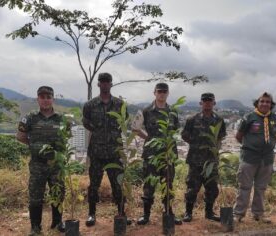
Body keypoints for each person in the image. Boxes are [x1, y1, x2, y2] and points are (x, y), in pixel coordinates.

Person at [82, 72, 131, 226]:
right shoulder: (90, 105)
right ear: (98, 84)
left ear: (111, 84)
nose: (104, 84)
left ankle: (121, 212)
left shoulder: (119, 104)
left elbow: (124, 121)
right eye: (102, 81)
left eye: (107, 81)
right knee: (94, 184)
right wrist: (98, 132)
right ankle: (91, 214)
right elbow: (85, 122)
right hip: (96, 152)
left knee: (117, 183)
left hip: (115, 152)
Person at [17, 86, 65, 235]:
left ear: (53, 99)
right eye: (42, 97)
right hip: (37, 165)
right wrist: (35, 147)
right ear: (37, 99)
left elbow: (67, 138)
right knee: (36, 195)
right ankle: (35, 227)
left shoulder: (61, 118)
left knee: (58, 193)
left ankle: (57, 223)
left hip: (56, 165)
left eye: (48, 97)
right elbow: (20, 136)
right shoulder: (30, 118)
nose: (45, 100)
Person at [132, 82, 182, 225]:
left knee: (168, 183)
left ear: (168, 94)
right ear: (154, 93)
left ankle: (169, 212)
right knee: (149, 185)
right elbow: (135, 128)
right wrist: (147, 138)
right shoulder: (145, 110)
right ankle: (146, 215)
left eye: (164, 92)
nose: (162, 94)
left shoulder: (173, 111)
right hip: (151, 155)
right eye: (159, 91)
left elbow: (175, 130)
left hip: (168, 155)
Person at [233, 92, 276, 223]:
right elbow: (239, 136)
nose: (265, 104)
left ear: (271, 104)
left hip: (267, 159)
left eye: (268, 102)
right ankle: (238, 214)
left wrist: (267, 146)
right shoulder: (249, 117)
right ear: (257, 103)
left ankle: (258, 214)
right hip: (249, 158)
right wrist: (251, 147)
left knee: (261, 187)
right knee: (244, 186)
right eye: (262, 101)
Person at [181, 93, 226, 222]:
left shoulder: (219, 120)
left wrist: (212, 148)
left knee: (212, 188)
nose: (207, 103)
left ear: (214, 103)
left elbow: (220, 136)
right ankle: (188, 213)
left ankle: (209, 213)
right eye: (204, 101)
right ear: (200, 103)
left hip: (211, 160)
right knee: (192, 188)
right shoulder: (192, 119)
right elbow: (184, 135)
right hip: (195, 160)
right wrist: (196, 144)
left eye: (209, 101)